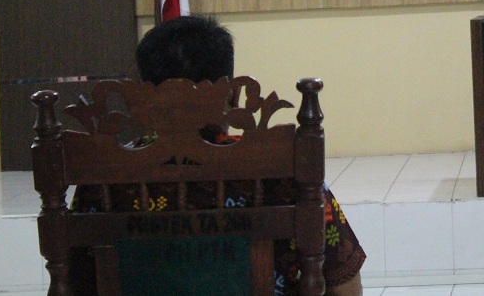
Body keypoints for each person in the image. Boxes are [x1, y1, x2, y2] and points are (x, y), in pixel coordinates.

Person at [71, 15, 366, 296]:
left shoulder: (100, 182)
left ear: (143, 97)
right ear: (232, 94)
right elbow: (344, 283)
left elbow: (74, 284)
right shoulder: (286, 176)